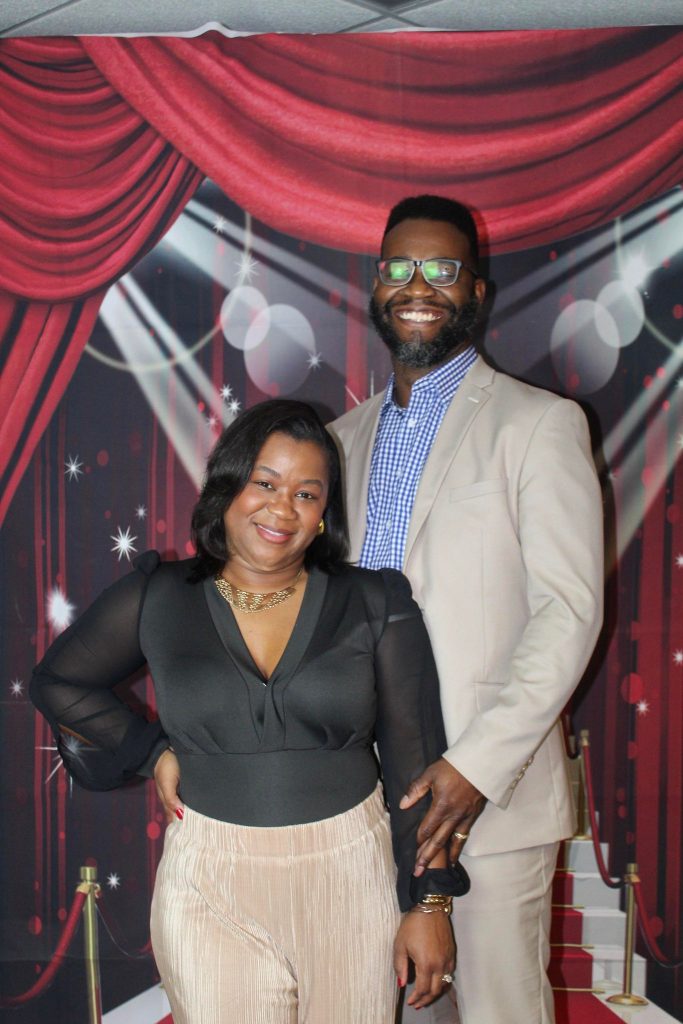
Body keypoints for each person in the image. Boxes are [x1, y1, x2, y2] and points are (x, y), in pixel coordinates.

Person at [30, 399, 469, 1024]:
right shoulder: (158, 596)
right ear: (227, 487)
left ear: (324, 513)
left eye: (306, 494)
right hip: (210, 886)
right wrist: (152, 752)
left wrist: (429, 904)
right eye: (265, 483)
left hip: (351, 879)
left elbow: (414, 767)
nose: (282, 508)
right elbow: (60, 681)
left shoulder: (375, 603)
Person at [328, 195, 603, 1024]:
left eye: (442, 269)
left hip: (486, 799)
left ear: (476, 292)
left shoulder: (538, 425)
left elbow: (569, 612)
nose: (417, 286)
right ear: (376, 286)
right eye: (398, 268)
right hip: (353, 799)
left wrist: (474, 767)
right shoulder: (337, 440)